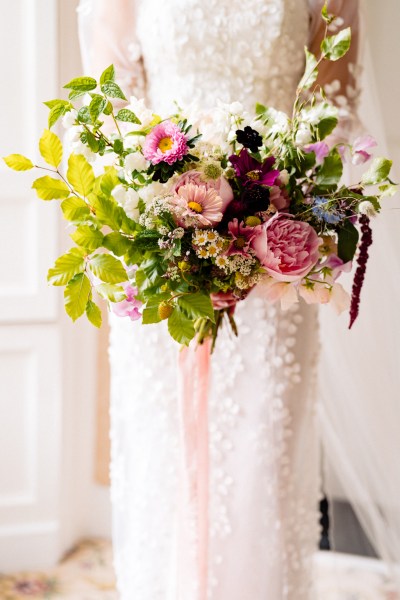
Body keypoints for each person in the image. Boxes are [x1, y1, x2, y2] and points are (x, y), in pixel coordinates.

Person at [77, 1, 360, 598]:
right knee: (162, 456)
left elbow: (334, 105)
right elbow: (111, 104)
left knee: (262, 459)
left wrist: (278, 213)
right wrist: (165, 211)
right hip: (165, 255)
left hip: (276, 264)